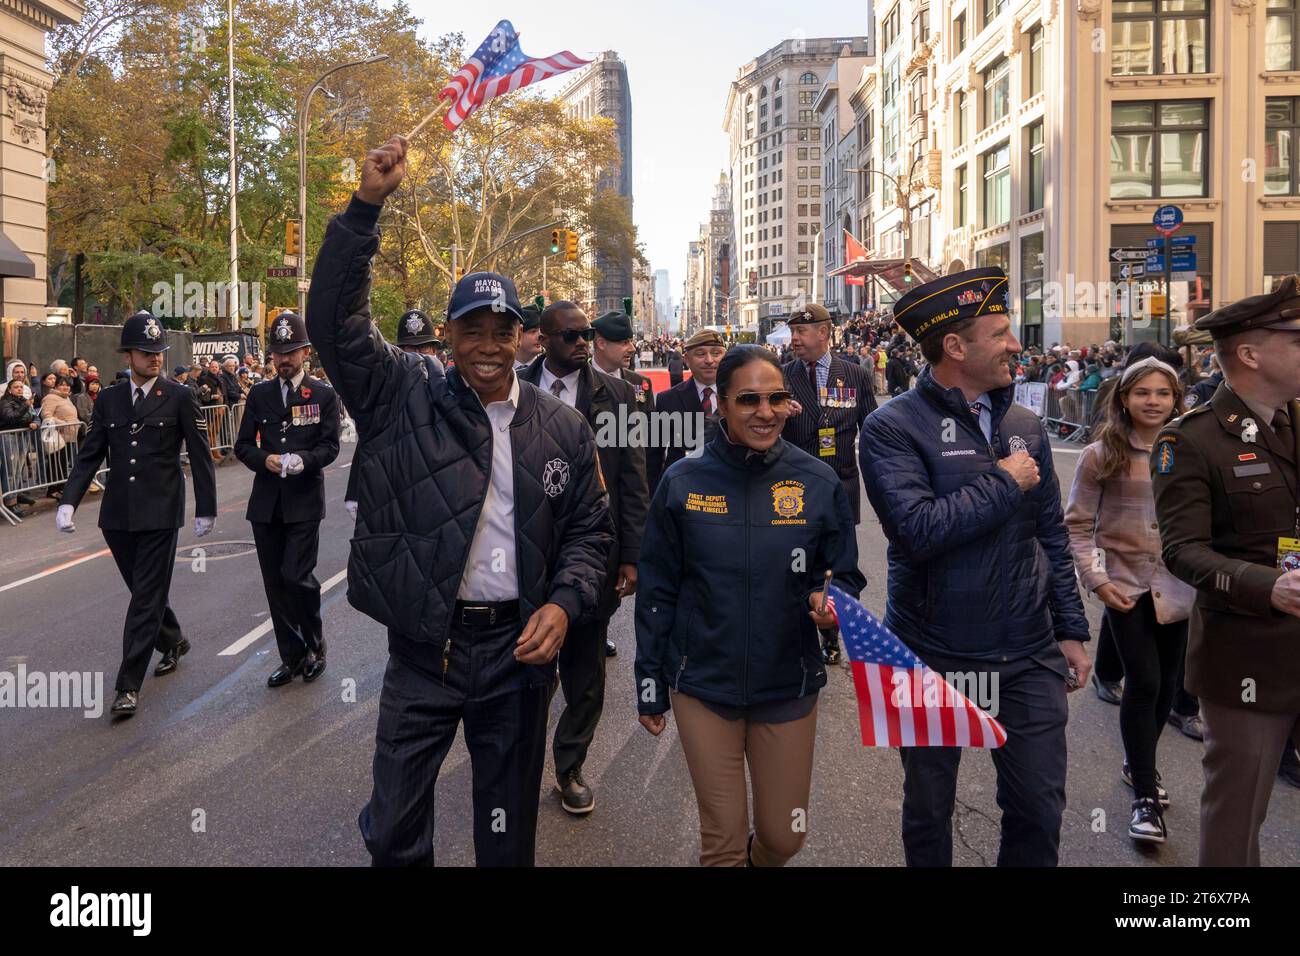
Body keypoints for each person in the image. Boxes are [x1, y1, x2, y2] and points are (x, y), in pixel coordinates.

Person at [306, 134, 613, 867]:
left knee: (504, 838)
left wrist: (564, 604)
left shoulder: (561, 425)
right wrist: (365, 207)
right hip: (424, 653)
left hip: (518, 655)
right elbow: (334, 325)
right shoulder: (399, 394)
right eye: (469, 329)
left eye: (500, 331)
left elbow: (590, 535)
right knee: (392, 835)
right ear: (446, 335)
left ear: (520, 337)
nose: (485, 344)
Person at [858, 267, 1091, 867]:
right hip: (934, 653)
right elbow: (918, 531)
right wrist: (1001, 483)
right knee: (930, 810)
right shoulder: (891, 426)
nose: (1017, 345)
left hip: (1029, 652)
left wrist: (1069, 628)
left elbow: (1050, 535)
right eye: (1002, 334)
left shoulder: (1025, 425)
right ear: (956, 348)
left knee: (1039, 809)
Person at [636, 345, 865, 866]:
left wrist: (835, 602)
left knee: (784, 838)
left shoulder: (818, 480)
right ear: (720, 405)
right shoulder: (682, 481)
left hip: (787, 682)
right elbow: (656, 592)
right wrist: (649, 686)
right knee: (722, 843)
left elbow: (845, 573)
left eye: (777, 398)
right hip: (703, 685)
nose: (766, 412)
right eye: (749, 400)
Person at [1152, 276, 1300, 866]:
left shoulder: (1294, 422)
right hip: (1249, 656)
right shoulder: (1190, 441)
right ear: (1250, 353)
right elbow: (1183, 551)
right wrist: (1271, 587)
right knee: (1237, 821)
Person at [55, 310, 218, 718]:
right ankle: (174, 638)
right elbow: (90, 455)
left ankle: (128, 685)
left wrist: (206, 508)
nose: (155, 358)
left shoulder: (179, 396)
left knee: (145, 599)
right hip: (118, 516)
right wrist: (67, 501)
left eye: (159, 351)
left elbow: (200, 456)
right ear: (129, 355)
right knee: (144, 592)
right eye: (146, 352)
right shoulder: (109, 399)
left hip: (161, 514)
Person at [519, 301, 648, 813]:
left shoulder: (621, 396)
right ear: (543, 338)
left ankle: (569, 767)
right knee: (527, 671)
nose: (580, 343)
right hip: (525, 557)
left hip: (594, 555)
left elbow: (634, 481)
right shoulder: (511, 389)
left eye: (586, 335)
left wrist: (631, 556)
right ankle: (518, 764)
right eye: (569, 336)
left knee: (586, 679)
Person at [1065, 357, 1194, 845]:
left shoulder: (1189, 450)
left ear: (1175, 400)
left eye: (1163, 393)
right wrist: (1095, 579)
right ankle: (1145, 795)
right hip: (1125, 586)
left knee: (1167, 687)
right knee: (1144, 682)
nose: (1154, 402)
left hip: (1181, 587)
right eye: (1143, 392)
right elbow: (1077, 524)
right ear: (1124, 398)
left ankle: (1139, 762)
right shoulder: (1101, 453)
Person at [235, 311, 340, 687]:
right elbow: (243, 446)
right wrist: (266, 459)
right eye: (278, 352)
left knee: (297, 576)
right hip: (266, 504)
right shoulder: (260, 395)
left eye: (291, 352)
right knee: (275, 585)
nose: (284, 359)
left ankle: (315, 643)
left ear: (305, 353)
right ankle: (291, 656)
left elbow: (330, 447)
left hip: (304, 501)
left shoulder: (323, 395)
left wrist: (302, 460)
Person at [780, 302, 877, 665]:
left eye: (801, 332)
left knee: (836, 567)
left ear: (824, 332)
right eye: (792, 332)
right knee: (796, 564)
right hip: (793, 490)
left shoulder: (854, 375)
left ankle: (832, 633)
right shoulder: (781, 374)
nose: (795, 339)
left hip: (841, 487)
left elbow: (872, 435)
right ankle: (798, 633)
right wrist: (777, 411)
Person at [343, 308, 443, 519]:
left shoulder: (450, 389)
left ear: (434, 350)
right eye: (408, 350)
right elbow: (369, 440)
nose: (417, 356)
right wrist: (355, 490)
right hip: (392, 493)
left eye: (423, 348)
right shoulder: (384, 392)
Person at [592, 308, 662, 502]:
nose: (632, 348)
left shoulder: (641, 384)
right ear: (601, 343)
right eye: (624, 342)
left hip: (633, 493)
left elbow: (652, 445)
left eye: (630, 341)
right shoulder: (580, 381)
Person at [655, 329, 725, 481]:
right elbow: (654, 458)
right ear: (686, 359)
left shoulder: (740, 397)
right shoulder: (667, 400)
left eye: (716, 353)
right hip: (682, 489)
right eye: (700, 354)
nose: (709, 360)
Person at [514, 305, 544, 371]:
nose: (540, 336)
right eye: (533, 332)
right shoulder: (501, 368)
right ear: (518, 335)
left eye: (541, 331)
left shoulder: (548, 369)